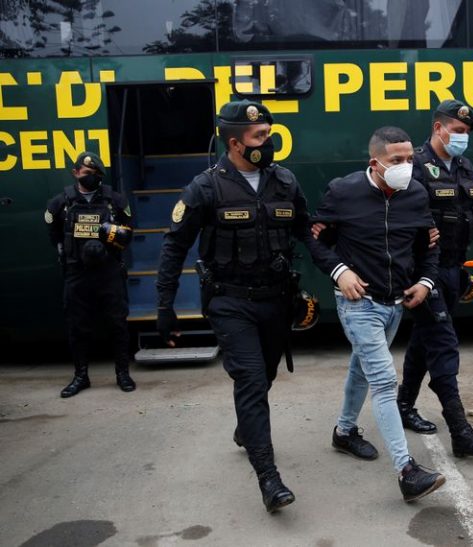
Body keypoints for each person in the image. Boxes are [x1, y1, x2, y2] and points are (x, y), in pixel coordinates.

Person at [155, 100, 311, 513]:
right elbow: (174, 246)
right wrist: (164, 306)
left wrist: (341, 266)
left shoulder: (285, 181)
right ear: (234, 141)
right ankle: (269, 477)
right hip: (229, 302)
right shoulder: (205, 187)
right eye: (260, 135)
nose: (269, 140)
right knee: (252, 381)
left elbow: (307, 230)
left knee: (267, 375)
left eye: (269, 132)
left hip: (277, 300)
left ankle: (246, 430)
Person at [306, 126, 446, 502]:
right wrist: (340, 271)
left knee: (361, 367)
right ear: (375, 163)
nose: (405, 166)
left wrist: (427, 281)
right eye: (395, 161)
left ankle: (344, 432)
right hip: (358, 304)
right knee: (384, 381)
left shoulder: (416, 194)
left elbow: (429, 246)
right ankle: (407, 471)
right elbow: (315, 238)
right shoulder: (343, 192)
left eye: (409, 160)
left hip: (395, 303)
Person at [398, 99, 473, 457]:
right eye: (458, 131)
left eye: (466, 133)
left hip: (453, 270)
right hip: (424, 273)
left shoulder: (465, 167)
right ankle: (460, 431)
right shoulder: (416, 166)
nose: (463, 138)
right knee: (444, 343)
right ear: (439, 128)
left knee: (425, 338)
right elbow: (397, 216)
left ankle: (403, 406)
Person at [44, 151, 136, 398]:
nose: (91, 178)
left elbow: (127, 233)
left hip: (109, 272)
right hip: (77, 273)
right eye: (86, 173)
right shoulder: (61, 202)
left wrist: (112, 238)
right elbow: (53, 234)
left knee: (117, 323)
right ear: (75, 173)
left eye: (95, 175)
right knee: (77, 326)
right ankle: (80, 376)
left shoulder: (114, 200)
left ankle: (122, 374)